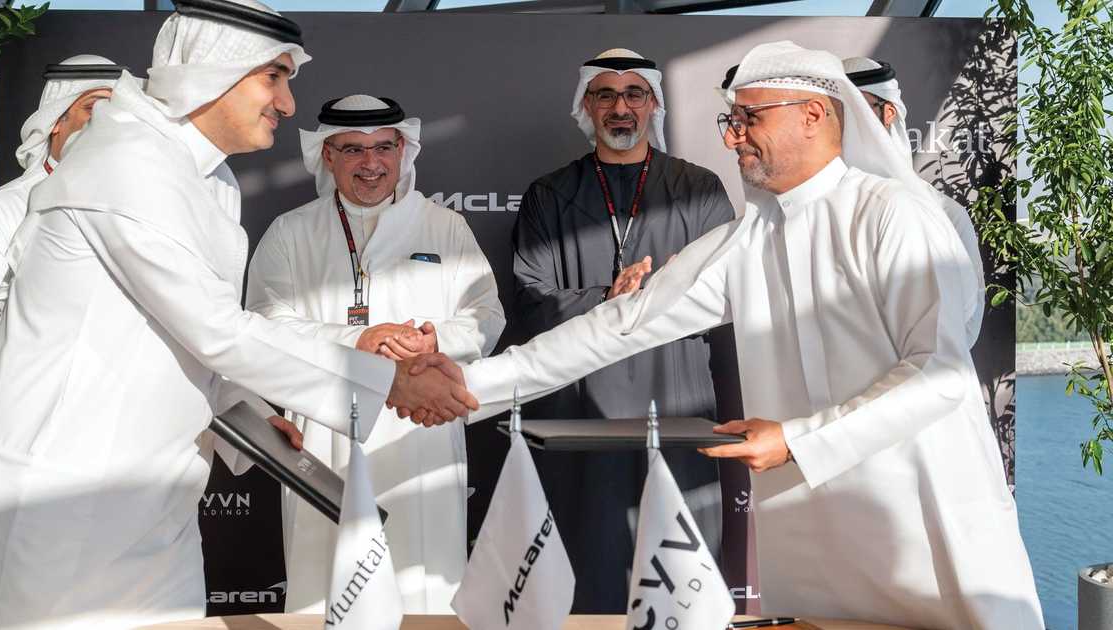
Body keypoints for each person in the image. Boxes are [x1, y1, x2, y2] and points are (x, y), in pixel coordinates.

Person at [406, 40, 1043, 629]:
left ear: (814, 116)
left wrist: (798, 440)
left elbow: (940, 373)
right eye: (730, 120)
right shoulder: (748, 239)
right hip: (812, 533)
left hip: (922, 519)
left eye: (749, 118)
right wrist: (471, 382)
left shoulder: (896, 216)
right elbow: (618, 326)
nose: (734, 136)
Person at [0, 2, 473, 629]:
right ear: (213, 72)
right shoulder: (123, 165)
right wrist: (389, 383)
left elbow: (182, 334)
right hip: (60, 497)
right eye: (274, 77)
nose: (287, 103)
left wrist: (251, 413)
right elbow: (217, 330)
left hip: (156, 503)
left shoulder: (210, 181)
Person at [247, 93, 505, 613]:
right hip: (327, 432)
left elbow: (486, 315)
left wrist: (434, 340)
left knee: (423, 585)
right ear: (328, 155)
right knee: (326, 584)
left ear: (402, 151)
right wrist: (356, 341)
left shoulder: (444, 227)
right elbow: (263, 327)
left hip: (422, 432)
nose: (371, 163)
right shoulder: (291, 232)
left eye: (383, 148)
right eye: (353, 150)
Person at [510, 47, 736, 612]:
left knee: (679, 564)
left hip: (676, 397)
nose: (620, 107)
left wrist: (651, 295)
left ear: (653, 104)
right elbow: (531, 295)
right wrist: (606, 298)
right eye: (605, 95)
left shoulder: (700, 189)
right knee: (587, 553)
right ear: (586, 106)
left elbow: (726, 290)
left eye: (634, 93)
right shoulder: (550, 194)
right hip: (580, 408)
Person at [0, 55, 126, 365]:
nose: (107, 121)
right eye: (93, 108)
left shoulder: (133, 206)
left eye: (116, 110)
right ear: (55, 121)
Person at [843, 56, 986, 345]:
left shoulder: (946, 214)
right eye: (837, 111)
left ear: (888, 112)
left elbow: (966, 326)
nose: (845, 122)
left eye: (855, 108)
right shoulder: (812, 207)